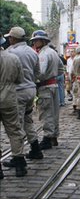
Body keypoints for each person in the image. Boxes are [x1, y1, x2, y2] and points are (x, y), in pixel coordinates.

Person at [3, 27, 43, 167]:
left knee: (16, 126)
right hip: (30, 89)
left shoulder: (11, 52)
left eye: (10, 38)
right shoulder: (32, 52)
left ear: (13, 38)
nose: (9, 40)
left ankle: (18, 157)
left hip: (17, 92)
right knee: (27, 120)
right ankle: (35, 148)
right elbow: (38, 73)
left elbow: (15, 78)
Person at [0, 32, 28, 178]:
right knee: (14, 130)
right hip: (9, 98)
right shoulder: (13, 57)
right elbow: (20, 79)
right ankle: (19, 164)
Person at [31, 30, 63, 150]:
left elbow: (41, 73)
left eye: (36, 40)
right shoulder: (53, 52)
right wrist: (53, 75)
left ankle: (47, 138)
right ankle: (54, 136)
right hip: (53, 85)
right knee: (54, 113)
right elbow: (61, 69)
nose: (34, 43)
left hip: (45, 86)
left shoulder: (43, 54)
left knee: (46, 114)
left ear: (42, 41)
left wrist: (34, 80)